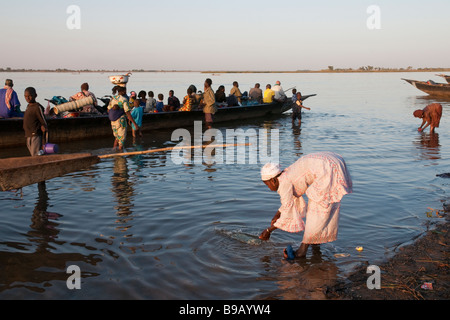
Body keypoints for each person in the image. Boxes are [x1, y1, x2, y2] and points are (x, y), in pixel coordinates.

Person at [259, 152, 353, 259]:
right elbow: (288, 204)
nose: (268, 188)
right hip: (334, 161)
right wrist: (277, 214)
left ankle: (302, 251)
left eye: (267, 184)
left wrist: (268, 231)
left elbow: (288, 209)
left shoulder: (283, 182)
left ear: (273, 180)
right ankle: (315, 243)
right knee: (324, 204)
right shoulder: (287, 174)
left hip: (327, 167)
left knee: (316, 208)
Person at [107, 86, 139, 151]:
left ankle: (114, 150)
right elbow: (128, 113)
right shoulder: (124, 99)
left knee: (117, 137)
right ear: (124, 91)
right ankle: (120, 154)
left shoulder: (113, 98)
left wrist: (115, 111)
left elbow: (108, 110)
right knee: (121, 139)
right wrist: (135, 124)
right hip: (121, 121)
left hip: (113, 122)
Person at [23, 87, 47, 156]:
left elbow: (44, 123)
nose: (27, 98)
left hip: (35, 135)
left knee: (36, 156)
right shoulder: (28, 106)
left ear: (35, 95)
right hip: (28, 135)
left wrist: (44, 141)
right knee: (33, 155)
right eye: (25, 96)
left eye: (29, 96)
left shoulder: (37, 107)